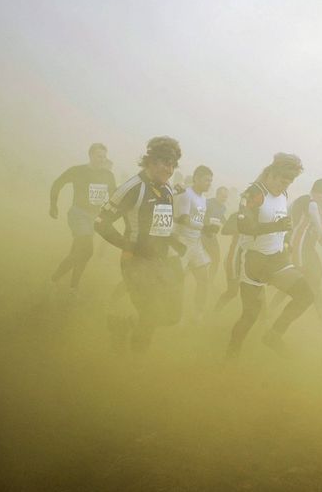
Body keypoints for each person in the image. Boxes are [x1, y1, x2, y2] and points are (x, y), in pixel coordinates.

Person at [94, 136, 186, 352]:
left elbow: (158, 222)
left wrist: (173, 242)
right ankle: (135, 369)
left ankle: (124, 324)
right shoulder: (132, 188)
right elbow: (100, 223)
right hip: (135, 262)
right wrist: (131, 247)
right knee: (150, 314)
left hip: (161, 260)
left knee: (173, 316)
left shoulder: (166, 188)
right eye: (165, 163)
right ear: (151, 161)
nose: (169, 170)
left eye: (173, 165)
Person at [225, 153, 313, 360]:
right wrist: (276, 226)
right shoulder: (253, 193)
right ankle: (231, 355)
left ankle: (273, 336)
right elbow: (244, 226)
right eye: (283, 181)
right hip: (253, 262)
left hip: (277, 259)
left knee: (306, 296)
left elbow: (281, 222)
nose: (285, 186)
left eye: (290, 182)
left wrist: (285, 238)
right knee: (250, 316)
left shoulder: (283, 194)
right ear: (271, 174)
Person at [49, 143, 117, 297]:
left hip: (94, 218)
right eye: (99, 156)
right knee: (87, 250)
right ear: (91, 155)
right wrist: (53, 205)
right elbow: (57, 183)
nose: (102, 159)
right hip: (78, 214)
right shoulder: (78, 171)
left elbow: (114, 196)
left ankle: (64, 284)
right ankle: (65, 284)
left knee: (77, 252)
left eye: (104, 157)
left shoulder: (108, 175)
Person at [173, 165, 219, 323]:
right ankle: (176, 316)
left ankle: (198, 313)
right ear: (196, 179)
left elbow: (197, 220)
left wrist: (207, 230)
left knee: (203, 280)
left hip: (196, 243)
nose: (209, 184)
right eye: (206, 180)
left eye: (211, 181)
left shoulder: (203, 198)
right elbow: (184, 219)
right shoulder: (187, 194)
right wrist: (203, 227)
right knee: (178, 282)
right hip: (181, 242)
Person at [287, 179, 322, 320]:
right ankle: (321, 315)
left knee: (315, 278)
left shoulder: (318, 207)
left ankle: (321, 315)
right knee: (300, 280)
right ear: (321, 194)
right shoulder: (309, 202)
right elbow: (319, 231)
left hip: (307, 248)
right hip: (298, 246)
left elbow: (315, 231)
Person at [203, 186, 229, 281]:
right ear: (217, 195)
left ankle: (210, 281)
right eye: (223, 196)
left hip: (211, 236)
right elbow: (200, 215)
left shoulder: (223, 207)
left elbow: (221, 217)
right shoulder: (208, 203)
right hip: (201, 235)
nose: (224, 199)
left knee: (216, 259)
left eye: (226, 197)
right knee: (197, 260)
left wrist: (230, 227)